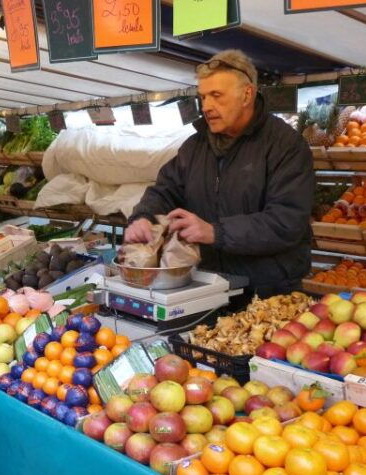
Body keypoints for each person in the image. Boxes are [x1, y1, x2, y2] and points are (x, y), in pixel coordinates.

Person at [126, 50, 314, 298]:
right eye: (203, 97)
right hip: (208, 286)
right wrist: (144, 217)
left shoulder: (285, 145)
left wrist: (216, 232)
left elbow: (287, 221)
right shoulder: (195, 147)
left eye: (216, 96)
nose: (206, 107)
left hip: (268, 291)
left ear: (247, 94)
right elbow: (165, 190)